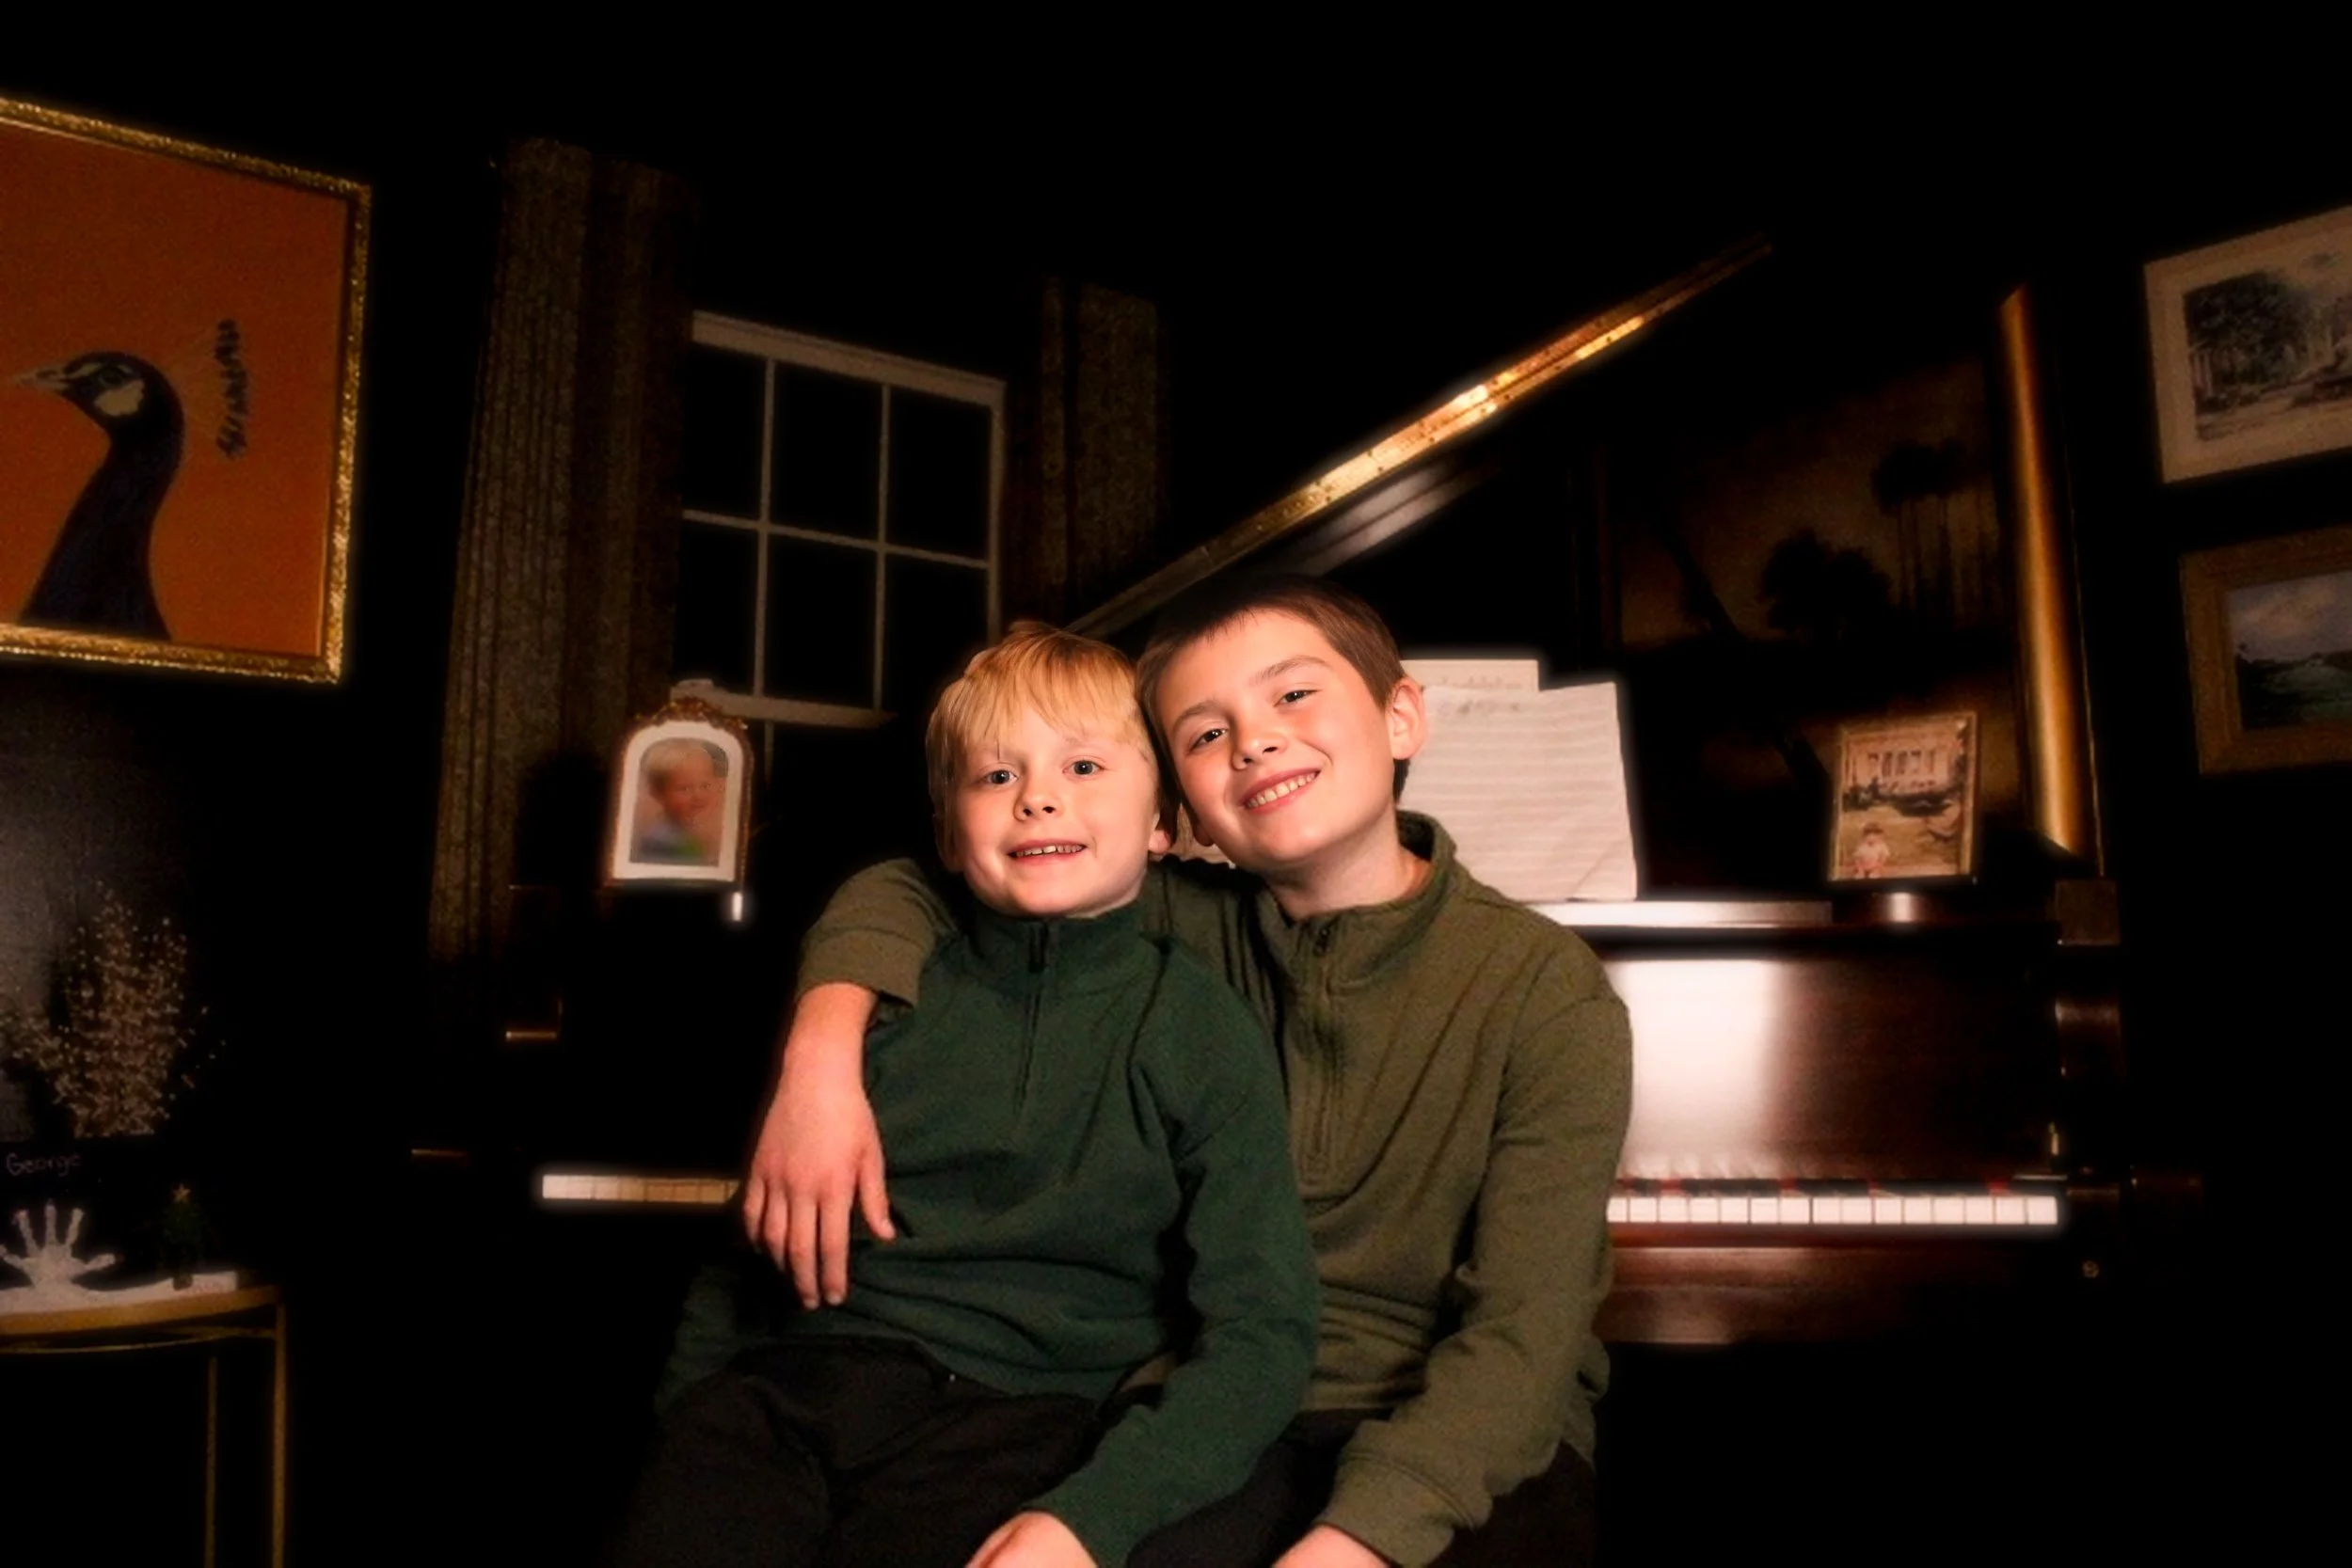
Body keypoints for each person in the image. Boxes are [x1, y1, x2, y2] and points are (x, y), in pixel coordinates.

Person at [749, 578, 1632, 1568]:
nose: (1252, 740)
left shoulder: (1548, 988)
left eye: (1293, 696)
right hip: (1209, 1406)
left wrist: (1361, 1536)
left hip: (1463, 1435)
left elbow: (1525, 1332)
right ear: (1182, 812)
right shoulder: (1162, 920)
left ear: (1399, 716)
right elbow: (918, 880)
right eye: (1205, 734)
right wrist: (819, 1057)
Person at [612, 626, 1318, 1568]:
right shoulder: (878, 989)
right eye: (995, 777)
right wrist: (685, 1415)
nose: (1037, 795)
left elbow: (1263, 1330)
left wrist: (1100, 1512)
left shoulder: (1200, 1029)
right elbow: (747, 1251)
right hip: (793, 1385)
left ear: (1163, 820)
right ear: (949, 830)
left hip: (1027, 1416)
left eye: (1082, 763)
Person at [634, 737, 724, 865]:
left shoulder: (693, 829)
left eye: (705, 786)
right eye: (685, 788)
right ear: (659, 793)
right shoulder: (661, 842)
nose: (698, 796)